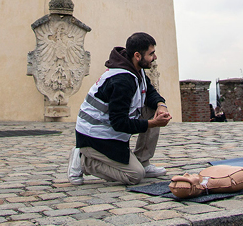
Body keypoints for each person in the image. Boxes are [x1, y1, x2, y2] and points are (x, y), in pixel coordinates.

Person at [68, 32, 171, 185]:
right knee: (135, 176)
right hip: (94, 137)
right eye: (151, 54)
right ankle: (83, 160)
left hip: (109, 133)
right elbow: (119, 123)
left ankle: (142, 161)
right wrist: (152, 124)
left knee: (153, 109)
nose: (155, 57)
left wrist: (161, 105)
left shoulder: (136, 68)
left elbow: (150, 91)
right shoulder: (122, 81)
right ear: (137, 56)